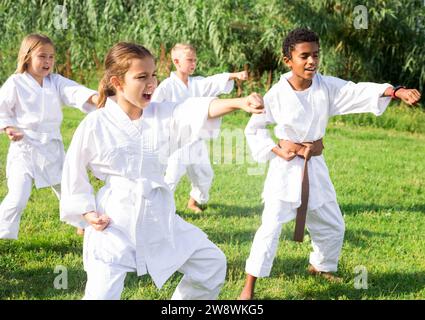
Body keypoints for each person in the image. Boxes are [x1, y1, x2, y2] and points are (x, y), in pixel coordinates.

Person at [59, 42, 263, 300]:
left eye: (154, 74)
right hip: (114, 222)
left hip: (158, 216)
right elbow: (73, 172)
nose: (151, 83)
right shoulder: (96, 123)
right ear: (117, 82)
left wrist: (238, 102)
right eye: (141, 77)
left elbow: (194, 111)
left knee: (210, 264)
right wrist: (87, 212)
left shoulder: (162, 113)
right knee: (101, 294)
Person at [239, 28, 421, 300]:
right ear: (288, 60)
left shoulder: (326, 86)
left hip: (315, 164)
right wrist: (276, 150)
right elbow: (255, 128)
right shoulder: (277, 93)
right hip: (286, 169)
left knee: (333, 224)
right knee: (271, 227)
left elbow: (355, 91)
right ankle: (248, 287)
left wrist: (394, 91)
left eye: (315, 55)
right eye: (304, 56)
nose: (312, 61)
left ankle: (320, 267)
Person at [0, 33, 97, 240]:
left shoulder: (55, 82)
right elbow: (2, 109)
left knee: (69, 187)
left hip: (52, 148)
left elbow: (74, 92)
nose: (48, 62)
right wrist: (9, 127)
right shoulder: (16, 82)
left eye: (51, 57)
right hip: (24, 148)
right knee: (18, 195)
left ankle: (84, 223)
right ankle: (3, 230)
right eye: (42, 56)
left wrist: (94, 97)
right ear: (27, 57)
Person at [152, 43, 248, 213]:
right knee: (172, 176)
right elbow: (154, 108)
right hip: (176, 141)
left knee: (205, 175)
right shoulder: (167, 86)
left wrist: (234, 75)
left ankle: (192, 202)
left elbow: (213, 81)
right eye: (189, 60)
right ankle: (159, 208)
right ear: (176, 61)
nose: (193, 64)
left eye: (195, 60)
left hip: (195, 139)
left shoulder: (197, 83)